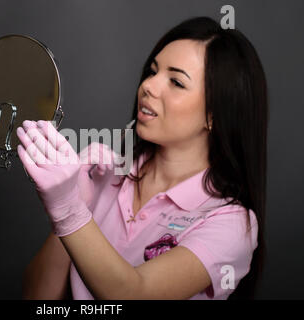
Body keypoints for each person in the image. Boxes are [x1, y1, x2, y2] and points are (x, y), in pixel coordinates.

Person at [18, 16, 268, 300]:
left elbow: (135, 293)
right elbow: (38, 297)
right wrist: (73, 203)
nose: (149, 86)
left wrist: (70, 210)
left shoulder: (230, 223)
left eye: (176, 81)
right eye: (152, 71)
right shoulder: (104, 174)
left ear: (215, 116)